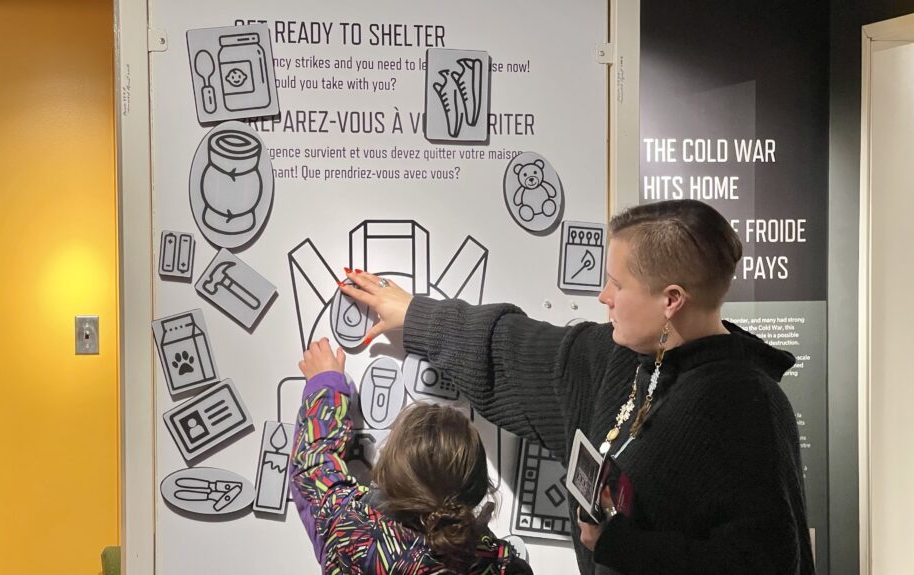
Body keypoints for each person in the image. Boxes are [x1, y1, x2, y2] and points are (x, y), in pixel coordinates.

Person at [339, 199, 815, 574]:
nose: (603, 296)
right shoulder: (614, 359)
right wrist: (417, 317)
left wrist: (619, 543)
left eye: (617, 284)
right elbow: (512, 350)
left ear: (671, 300)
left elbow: (766, 564)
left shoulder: (750, 409)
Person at [289, 337, 532, 574]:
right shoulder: (498, 564)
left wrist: (326, 383)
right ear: (479, 487)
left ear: (385, 469)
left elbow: (312, 466)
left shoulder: (348, 531)